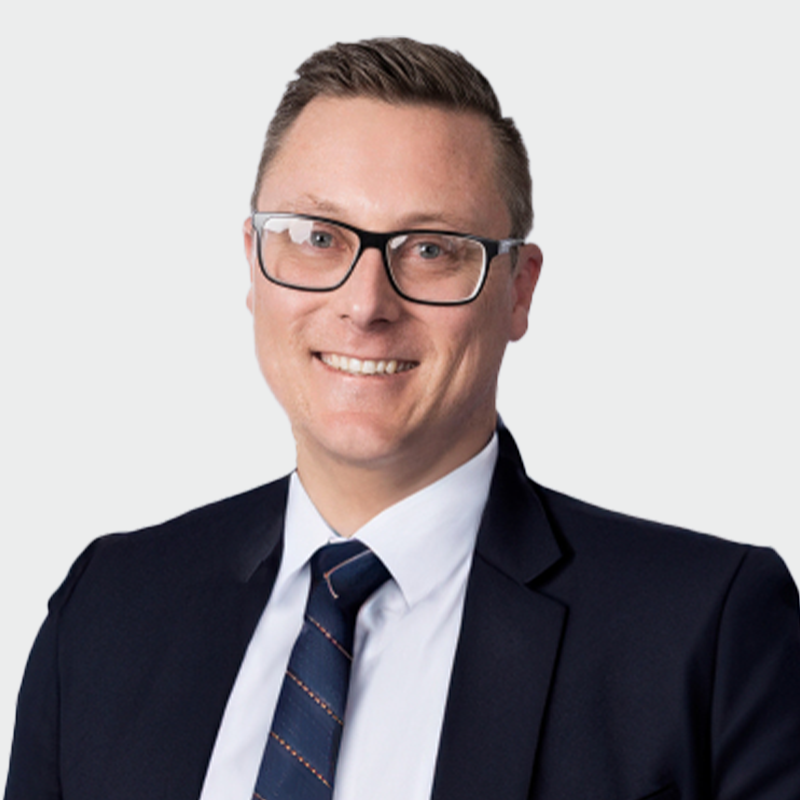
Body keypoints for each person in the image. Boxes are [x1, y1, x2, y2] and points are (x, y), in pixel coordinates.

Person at [4, 37, 799, 800]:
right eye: (317, 237)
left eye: (431, 249)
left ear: (518, 289)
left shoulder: (709, 628)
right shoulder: (106, 610)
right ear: (252, 263)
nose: (365, 305)